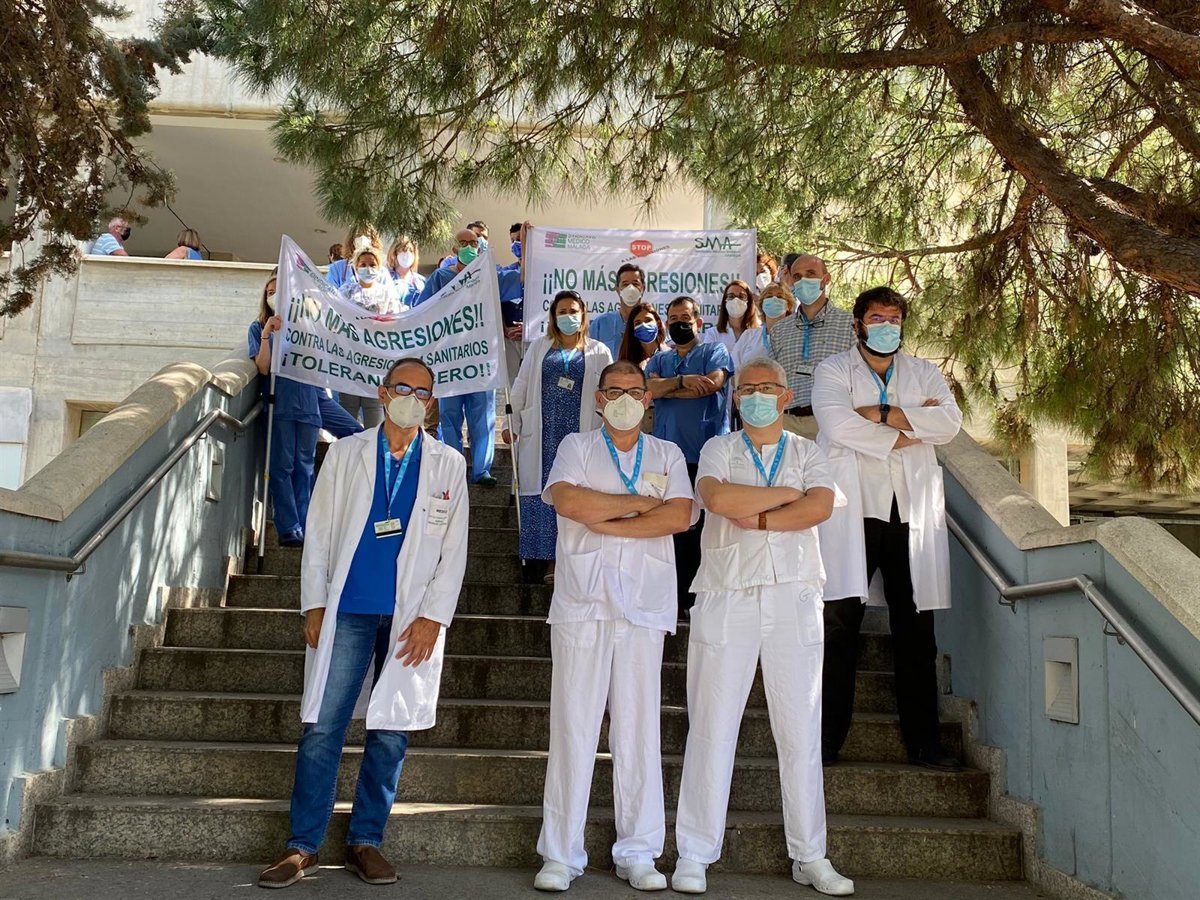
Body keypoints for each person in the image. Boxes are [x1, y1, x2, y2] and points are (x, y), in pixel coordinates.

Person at [256, 357, 469, 889]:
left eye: (422, 393)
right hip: (347, 609)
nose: (412, 399)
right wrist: (313, 603)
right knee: (323, 727)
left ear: (432, 402)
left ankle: (365, 841)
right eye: (403, 388)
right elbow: (320, 532)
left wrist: (433, 617)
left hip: (409, 617)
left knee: (391, 731)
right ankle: (302, 845)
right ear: (382, 391)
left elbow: (454, 549)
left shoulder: (447, 463)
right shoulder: (347, 452)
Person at [672, 356, 853, 897]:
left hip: (793, 595)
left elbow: (820, 507)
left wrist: (761, 516)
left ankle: (810, 855)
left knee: (800, 730)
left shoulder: (808, 452)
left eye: (766, 388)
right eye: (746, 389)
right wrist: (788, 497)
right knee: (711, 724)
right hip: (726, 594)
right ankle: (695, 853)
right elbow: (718, 498)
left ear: (785, 395)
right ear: (735, 398)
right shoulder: (718, 449)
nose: (755, 396)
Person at [534, 360, 698, 893]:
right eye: (614, 391)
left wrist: (603, 518)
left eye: (634, 390)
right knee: (573, 727)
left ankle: (639, 852)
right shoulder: (576, 447)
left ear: (648, 399)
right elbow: (568, 501)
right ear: (599, 398)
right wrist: (637, 508)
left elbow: (678, 516)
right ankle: (561, 853)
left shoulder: (667, 454)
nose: (624, 399)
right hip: (583, 604)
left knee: (639, 730)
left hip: (644, 607)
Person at [812, 286, 964, 771]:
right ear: (858, 324)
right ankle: (824, 740)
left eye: (894, 319)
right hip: (853, 506)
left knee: (916, 628)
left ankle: (924, 743)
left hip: (910, 510)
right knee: (839, 625)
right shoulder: (833, 370)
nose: (886, 326)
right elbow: (837, 425)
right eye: (877, 318)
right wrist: (911, 428)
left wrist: (881, 415)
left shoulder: (924, 371)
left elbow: (950, 423)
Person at [506, 291, 611, 582]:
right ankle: (549, 560)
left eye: (573, 311)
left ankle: (572, 558)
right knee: (545, 490)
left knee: (576, 490)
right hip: (544, 434)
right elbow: (521, 384)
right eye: (562, 312)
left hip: (580, 432)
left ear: (583, 315)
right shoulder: (539, 348)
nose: (568, 317)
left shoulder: (599, 351)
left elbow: (607, 393)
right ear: (553, 317)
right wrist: (512, 423)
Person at [645, 296, 732, 612]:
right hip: (665, 458)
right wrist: (683, 382)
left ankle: (700, 600)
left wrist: (668, 390)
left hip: (705, 455)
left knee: (703, 530)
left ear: (698, 322)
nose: (679, 323)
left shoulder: (714, 351)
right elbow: (648, 390)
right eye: (673, 318)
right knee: (670, 527)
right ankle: (674, 599)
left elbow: (712, 384)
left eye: (685, 317)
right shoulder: (660, 359)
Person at [414, 229, 500, 484]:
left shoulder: (488, 276)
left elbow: (514, 286)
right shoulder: (441, 277)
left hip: (481, 358)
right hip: (450, 358)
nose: (469, 247)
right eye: (463, 243)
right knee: (449, 416)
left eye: (473, 242)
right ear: (454, 249)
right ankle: (454, 466)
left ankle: (482, 470)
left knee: (483, 416)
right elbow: (422, 308)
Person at [248, 273, 322, 547]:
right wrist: (268, 334)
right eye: (269, 292)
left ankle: (306, 523)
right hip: (279, 404)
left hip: (308, 404)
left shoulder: (307, 326)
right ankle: (289, 527)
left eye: (279, 290)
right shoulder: (258, 327)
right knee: (281, 466)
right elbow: (263, 367)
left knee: (305, 467)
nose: (274, 295)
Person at [768, 254, 855, 439]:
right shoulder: (780, 330)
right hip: (787, 422)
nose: (803, 280)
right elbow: (773, 379)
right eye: (797, 276)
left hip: (831, 422)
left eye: (810, 274)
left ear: (826, 279)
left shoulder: (850, 324)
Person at [588, 263, 646, 358]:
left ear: (643, 288)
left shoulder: (651, 324)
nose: (630, 288)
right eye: (625, 284)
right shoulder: (600, 324)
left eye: (635, 284)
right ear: (618, 290)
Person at [705, 279, 763, 371]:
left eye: (742, 296)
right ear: (725, 301)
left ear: (749, 302)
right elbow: (708, 364)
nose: (736, 300)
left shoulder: (758, 333)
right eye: (731, 296)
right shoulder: (713, 333)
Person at [616, 302, 666, 369]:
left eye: (648, 320)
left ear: (658, 324)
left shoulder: (668, 354)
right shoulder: (627, 360)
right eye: (638, 323)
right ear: (633, 329)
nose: (643, 325)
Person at [386, 235, 426, 307]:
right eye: (403, 250)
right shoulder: (386, 278)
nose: (407, 254)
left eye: (411, 251)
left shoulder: (421, 281)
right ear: (394, 254)